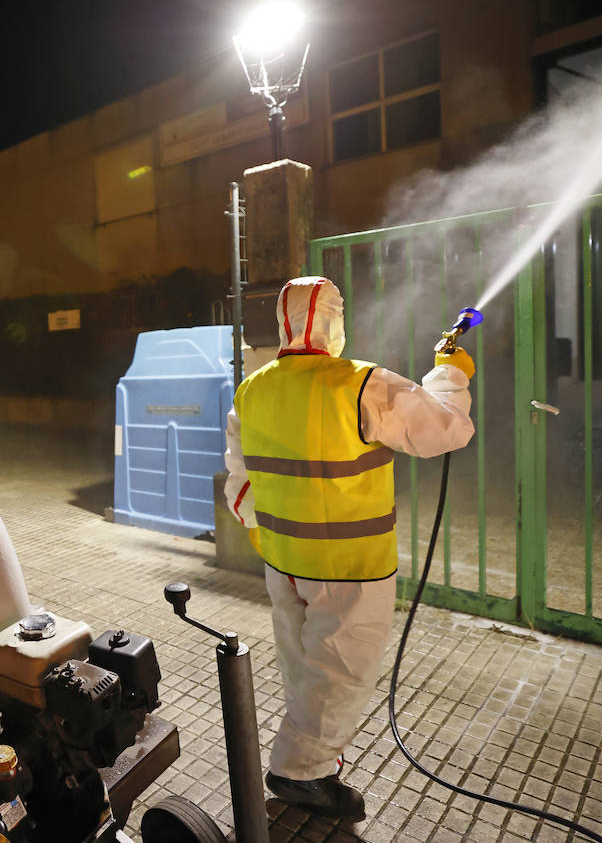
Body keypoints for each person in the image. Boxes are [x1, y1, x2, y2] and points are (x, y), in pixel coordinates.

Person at [223, 275, 475, 819]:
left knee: (304, 666)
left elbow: (238, 477)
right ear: (332, 322)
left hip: (281, 559)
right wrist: (450, 372)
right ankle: (301, 773)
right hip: (350, 567)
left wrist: (258, 527)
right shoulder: (360, 383)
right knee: (341, 673)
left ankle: (315, 758)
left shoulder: (253, 388)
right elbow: (445, 429)